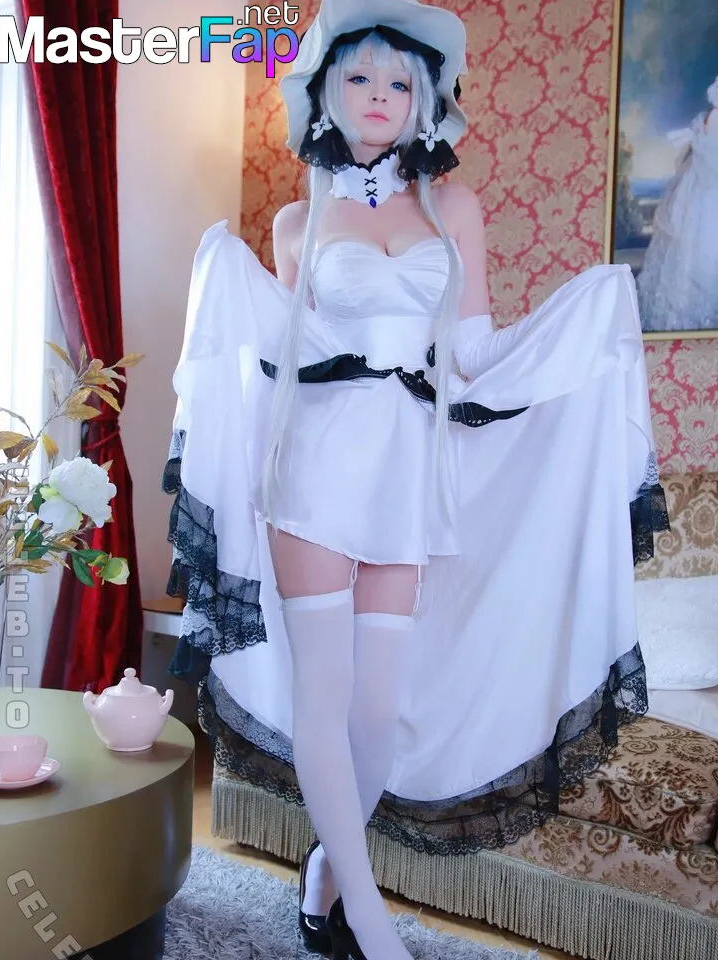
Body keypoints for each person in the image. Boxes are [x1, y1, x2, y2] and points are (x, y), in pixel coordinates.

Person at [163, 2, 668, 958]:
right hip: (313, 468)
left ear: (423, 100)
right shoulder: (297, 221)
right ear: (327, 92)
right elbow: (282, 356)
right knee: (325, 698)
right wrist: (227, 280)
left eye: (399, 82)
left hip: (406, 474)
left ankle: (325, 868)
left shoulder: (452, 209)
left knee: (378, 710)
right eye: (360, 77)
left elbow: (471, 350)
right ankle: (371, 919)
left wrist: (574, 323)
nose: (380, 96)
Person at [637, 76, 718, 332]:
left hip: (703, 196)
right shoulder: (714, 117)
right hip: (705, 202)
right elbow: (710, 167)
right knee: (698, 264)